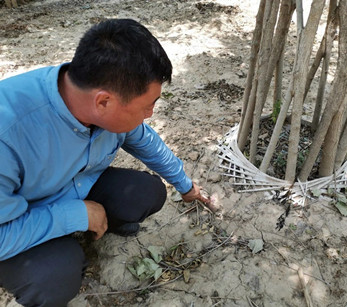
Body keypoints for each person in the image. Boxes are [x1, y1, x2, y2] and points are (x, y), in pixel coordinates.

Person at [0, 18, 210, 306]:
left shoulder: (98, 94)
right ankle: (63, 247)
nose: (149, 114)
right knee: (54, 277)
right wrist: (74, 215)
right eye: (146, 106)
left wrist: (186, 186)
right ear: (103, 102)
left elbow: (146, 141)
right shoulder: (7, 132)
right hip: (14, 218)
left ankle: (89, 228)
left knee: (148, 192)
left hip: (71, 187)